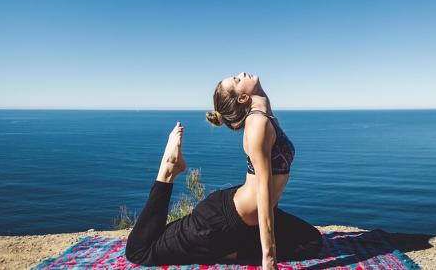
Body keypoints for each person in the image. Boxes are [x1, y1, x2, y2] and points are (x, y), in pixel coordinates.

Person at [125, 72, 323, 269]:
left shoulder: (265, 116)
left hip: (246, 218)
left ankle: (225, 251)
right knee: (140, 251)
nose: (241, 74)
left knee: (312, 242)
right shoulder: (258, 124)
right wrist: (269, 257)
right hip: (218, 221)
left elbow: (269, 191)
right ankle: (168, 169)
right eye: (237, 80)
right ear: (243, 98)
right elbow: (264, 191)